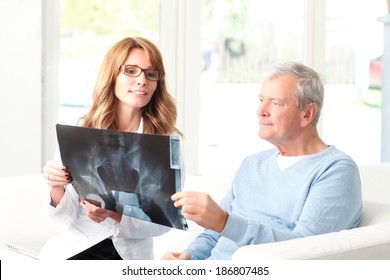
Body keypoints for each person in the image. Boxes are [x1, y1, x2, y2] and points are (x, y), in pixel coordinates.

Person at [163, 61, 362, 260]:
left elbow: (304, 250)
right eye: (261, 100)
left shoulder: (336, 170)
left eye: (275, 103)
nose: (261, 111)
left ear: (307, 113)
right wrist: (190, 257)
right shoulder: (252, 164)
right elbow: (216, 233)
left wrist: (224, 221)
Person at [41, 36, 183, 260]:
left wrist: (117, 216)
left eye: (150, 73)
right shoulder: (80, 131)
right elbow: (64, 219)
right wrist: (56, 187)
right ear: (112, 76)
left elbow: (165, 222)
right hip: (77, 249)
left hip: (129, 256)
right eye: (130, 70)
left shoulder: (165, 140)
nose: (142, 80)